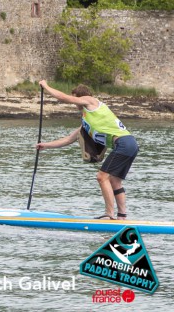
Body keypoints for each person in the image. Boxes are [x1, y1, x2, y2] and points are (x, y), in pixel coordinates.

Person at [35, 79, 138, 220]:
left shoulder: (91, 101)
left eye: (75, 98)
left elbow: (63, 98)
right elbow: (68, 139)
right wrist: (45, 145)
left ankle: (109, 215)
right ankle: (121, 216)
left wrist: (45, 86)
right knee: (115, 181)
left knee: (102, 177)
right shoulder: (87, 121)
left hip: (124, 143)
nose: (75, 103)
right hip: (130, 144)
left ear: (80, 96)